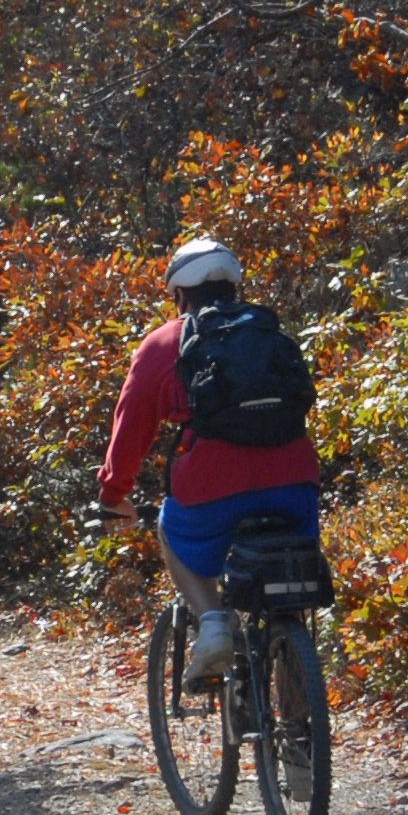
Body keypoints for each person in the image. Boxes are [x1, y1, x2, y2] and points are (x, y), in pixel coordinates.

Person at [96, 237, 320, 689]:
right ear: (234, 287)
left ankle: (214, 623)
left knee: (171, 530)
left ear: (179, 294)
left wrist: (113, 494)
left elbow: (132, 426)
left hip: (211, 486)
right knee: (287, 584)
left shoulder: (164, 343)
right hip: (296, 480)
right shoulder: (267, 332)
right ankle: (300, 715)